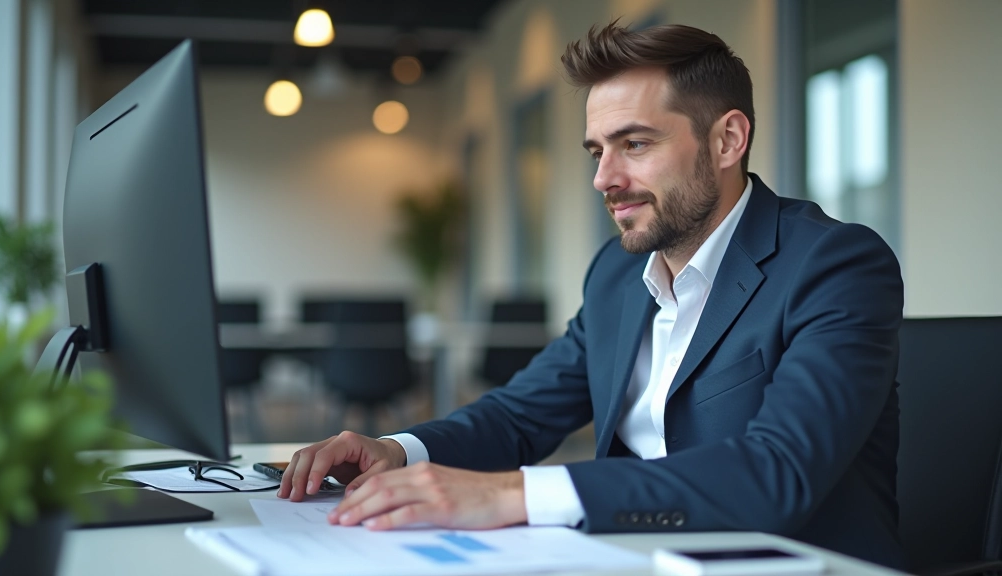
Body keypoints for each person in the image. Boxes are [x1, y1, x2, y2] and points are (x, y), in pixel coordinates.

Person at [277, 21, 904, 568]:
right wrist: (398, 449)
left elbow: (779, 471)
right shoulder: (616, 273)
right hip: (629, 556)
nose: (605, 178)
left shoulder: (835, 264)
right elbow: (521, 412)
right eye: (596, 151)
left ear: (726, 141)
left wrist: (509, 495)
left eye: (635, 143)